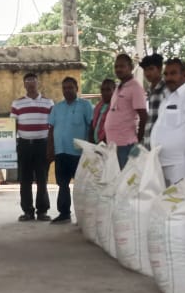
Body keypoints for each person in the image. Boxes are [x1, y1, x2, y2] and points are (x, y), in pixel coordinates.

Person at [47, 77, 94, 224]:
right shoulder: (57, 108)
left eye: (70, 87)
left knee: (82, 186)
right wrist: (50, 149)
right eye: (64, 88)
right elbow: (51, 129)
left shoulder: (85, 106)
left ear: (77, 89)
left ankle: (85, 216)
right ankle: (64, 214)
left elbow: (91, 127)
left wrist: (90, 149)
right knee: (62, 184)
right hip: (61, 152)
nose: (67, 90)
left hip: (79, 153)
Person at [150, 58, 185, 185]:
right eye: (166, 74)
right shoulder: (168, 97)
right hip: (160, 164)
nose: (168, 78)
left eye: (173, 73)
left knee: (180, 197)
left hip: (181, 166)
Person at [11, 72, 55, 222]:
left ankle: (42, 211)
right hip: (24, 145)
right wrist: (12, 145)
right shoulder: (17, 104)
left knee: (42, 179)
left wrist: (51, 146)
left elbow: (53, 125)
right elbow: (13, 125)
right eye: (27, 81)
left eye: (33, 81)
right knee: (25, 180)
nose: (30, 83)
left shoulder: (49, 103)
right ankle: (28, 211)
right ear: (24, 84)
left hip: (42, 145)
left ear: (38, 83)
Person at [103, 54, 148, 169]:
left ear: (131, 67)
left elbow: (143, 116)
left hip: (126, 145)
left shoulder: (135, 87)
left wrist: (138, 142)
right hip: (112, 145)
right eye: (116, 66)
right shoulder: (119, 87)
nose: (118, 69)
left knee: (124, 179)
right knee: (114, 179)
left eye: (122, 66)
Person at [139, 53, 166, 148]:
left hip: (161, 143)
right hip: (148, 141)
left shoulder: (166, 89)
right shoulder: (150, 91)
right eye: (145, 70)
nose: (147, 73)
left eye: (151, 69)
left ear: (160, 69)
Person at [90, 79, 115, 144]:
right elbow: (93, 124)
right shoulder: (98, 106)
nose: (104, 92)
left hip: (108, 143)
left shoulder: (116, 107)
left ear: (114, 91)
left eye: (108, 90)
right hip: (96, 142)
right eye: (102, 90)